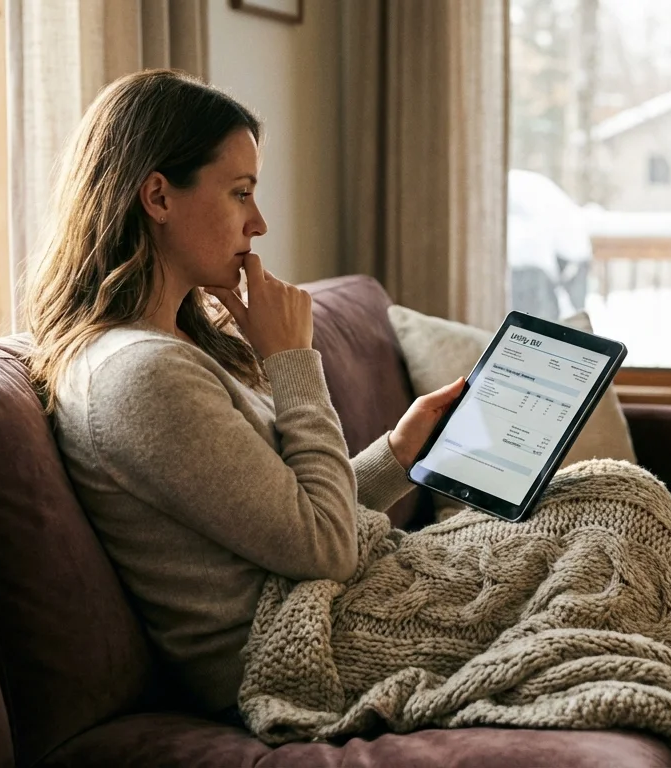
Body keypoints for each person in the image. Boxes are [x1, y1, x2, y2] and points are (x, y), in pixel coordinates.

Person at [23, 69, 463, 718]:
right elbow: (325, 547)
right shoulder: (142, 376)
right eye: (240, 193)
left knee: (596, 503)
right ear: (158, 196)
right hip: (297, 649)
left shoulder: (180, 346)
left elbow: (289, 520)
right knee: (612, 520)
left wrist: (398, 453)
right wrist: (292, 362)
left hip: (324, 610)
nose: (258, 223)